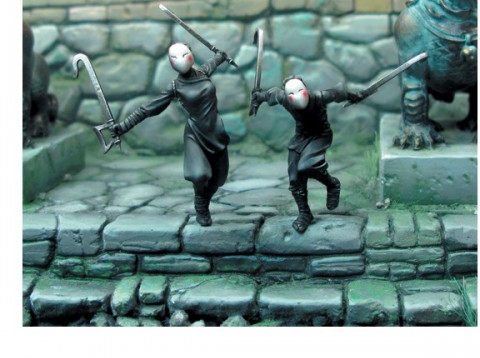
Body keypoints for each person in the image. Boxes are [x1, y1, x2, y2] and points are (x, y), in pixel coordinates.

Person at [113, 43, 230, 227]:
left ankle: (204, 201)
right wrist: (123, 126)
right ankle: (201, 208)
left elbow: (214, 61)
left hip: (216, 132)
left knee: (218, 179)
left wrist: (221, 56)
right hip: (195, 135)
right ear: (170, 62)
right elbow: (148, 108)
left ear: (190, 54)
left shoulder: (203, 72)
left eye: (184, 54)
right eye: (175, 57)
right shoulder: (175, 87)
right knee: (199, 174)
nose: (181, 60)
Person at [252, 76, 365, 233]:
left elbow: (337, 93)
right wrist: (257, 97)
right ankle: (305, 213)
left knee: (307, 166)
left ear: (306, 89)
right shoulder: (282, 97)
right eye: (292, 93)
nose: (297, 95)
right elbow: (268, 95)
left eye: (300, 90)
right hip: (300, 138)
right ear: (287, 95)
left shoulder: (319, 97)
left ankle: (332, 184)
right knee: (294, 178)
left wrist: (355, 96)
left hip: (320, 135)